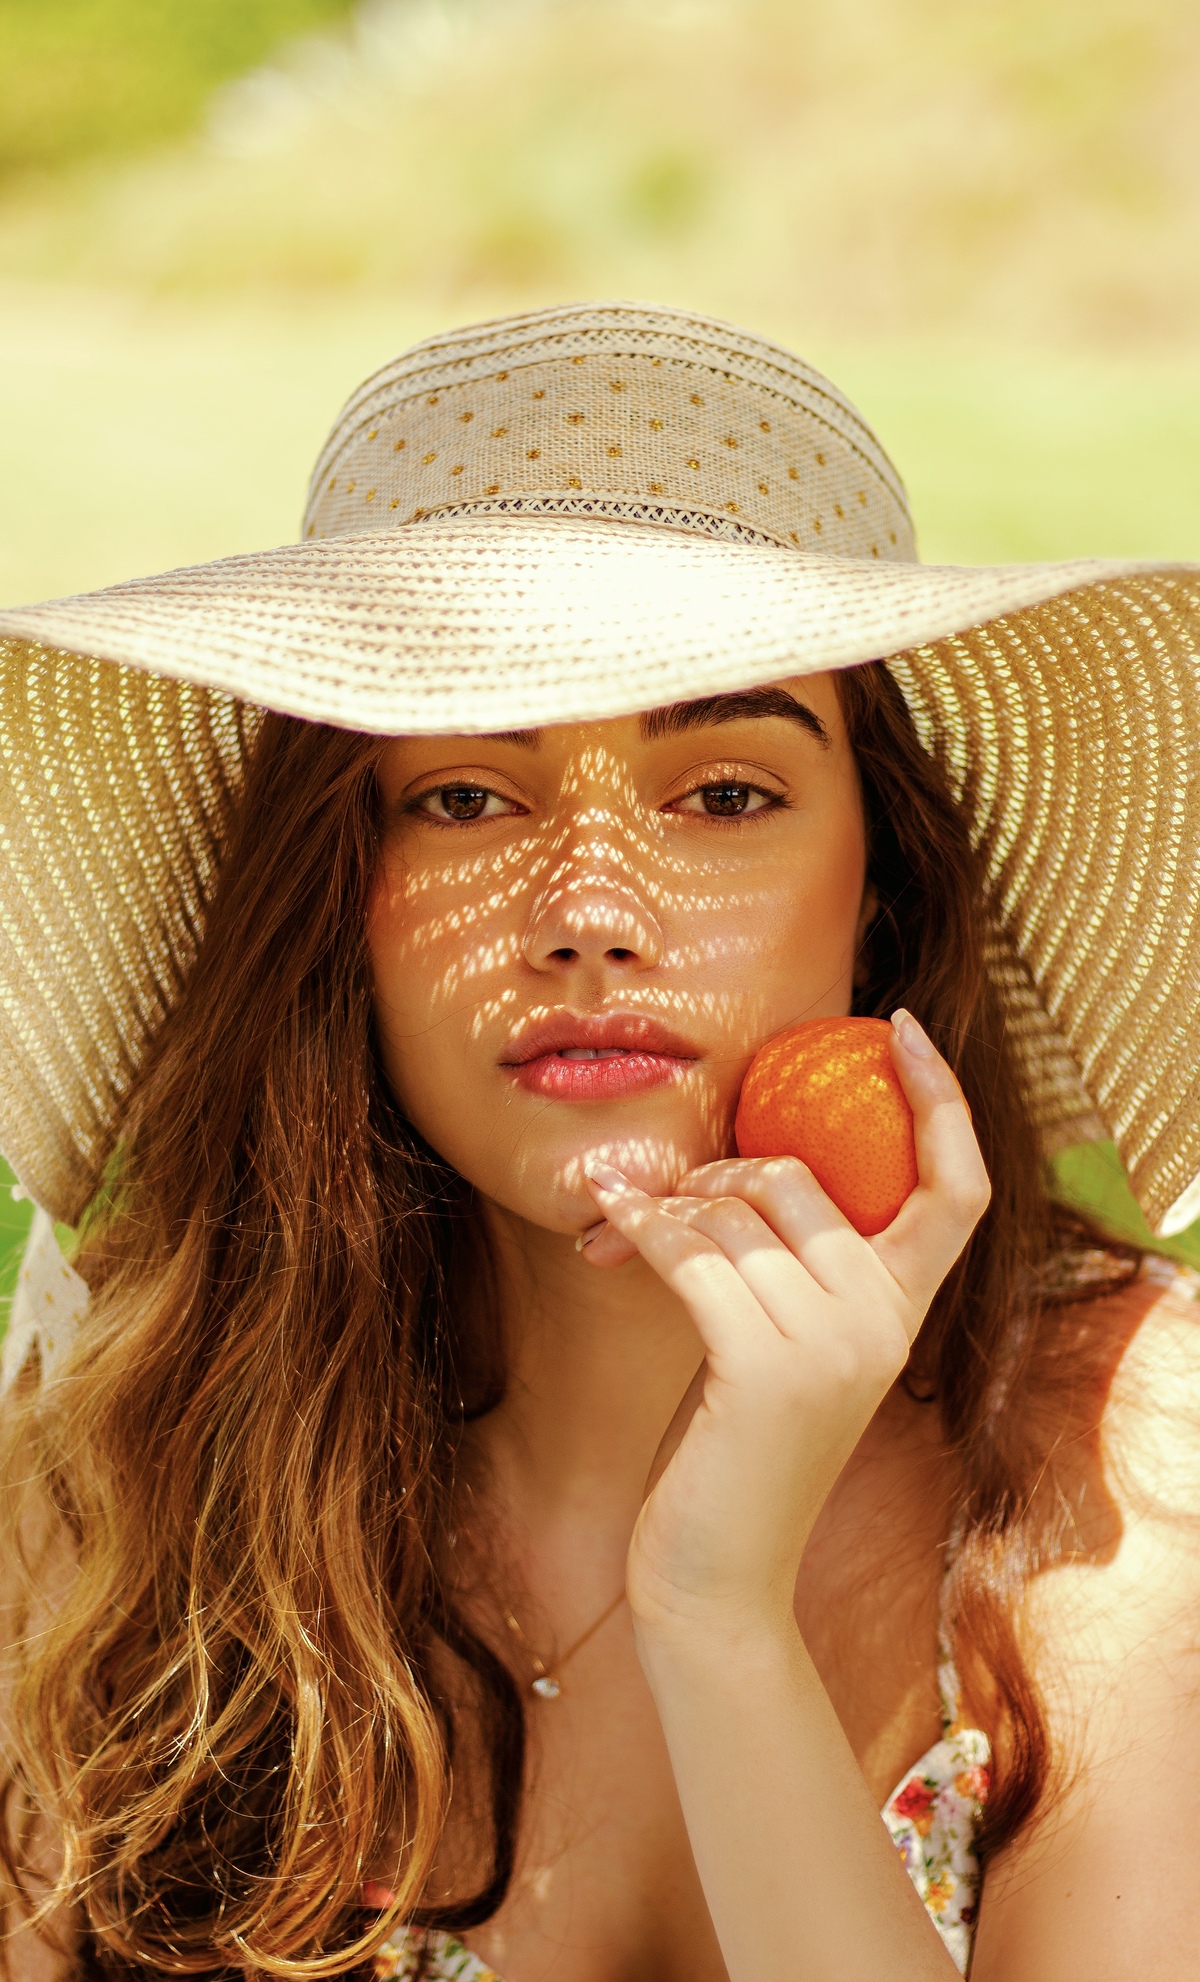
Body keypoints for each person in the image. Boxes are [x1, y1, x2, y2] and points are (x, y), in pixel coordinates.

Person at [0, 302, 1197, 1982]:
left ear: (888, 880)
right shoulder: (128, 1449)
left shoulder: (1131, 1462)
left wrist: (718, 1618)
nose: (589, 920)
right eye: (468, 796)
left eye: (723, 795)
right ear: (344, 905)